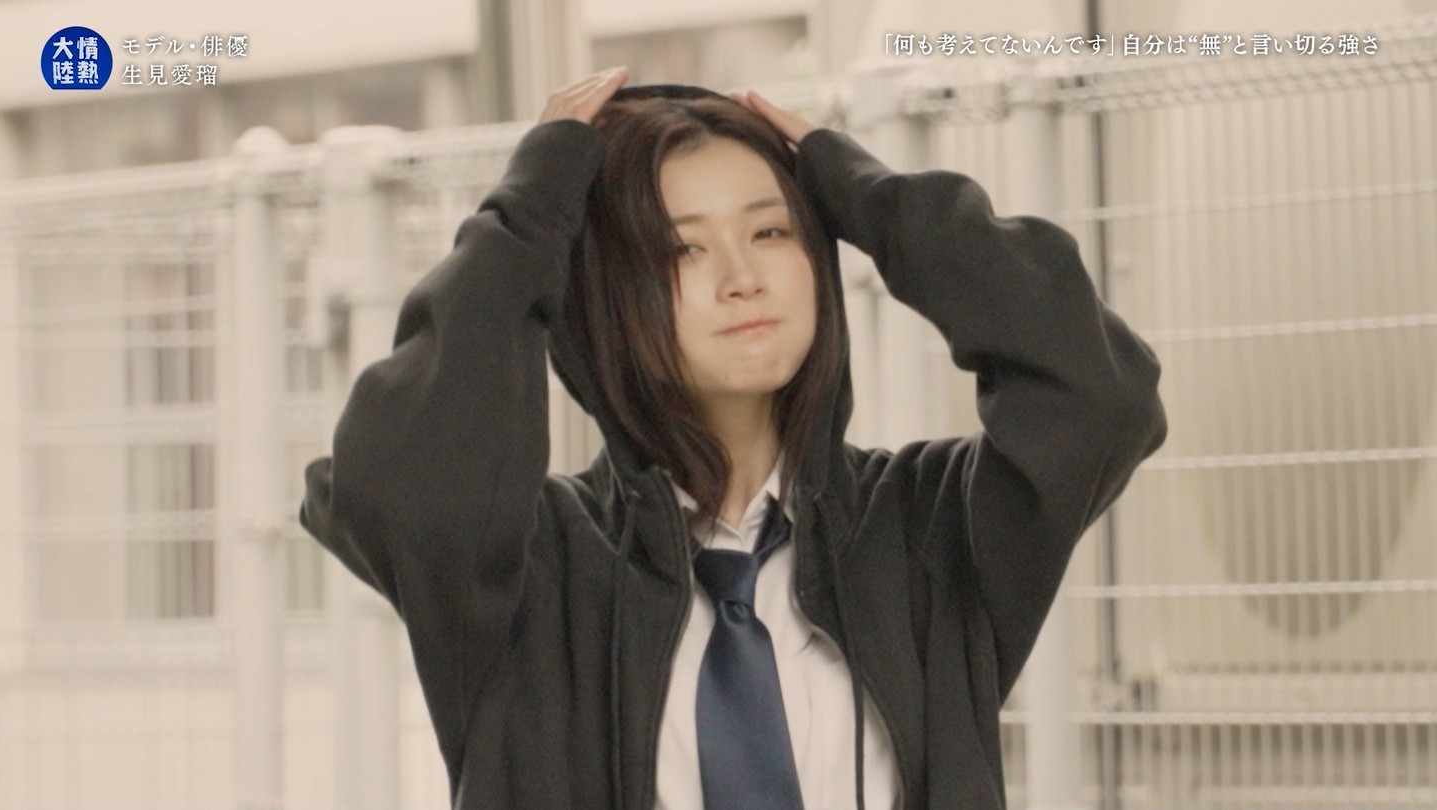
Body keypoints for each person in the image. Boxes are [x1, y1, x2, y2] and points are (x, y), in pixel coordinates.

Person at [298, 66, 1168, 810]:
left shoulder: (926, 532)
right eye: (681, 251)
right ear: (603, 296)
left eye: (772, 231)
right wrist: (529, 212)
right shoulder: (531, 571)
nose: (743, 277)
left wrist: (868, 197)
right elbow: (395, 485)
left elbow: (1099, 395)